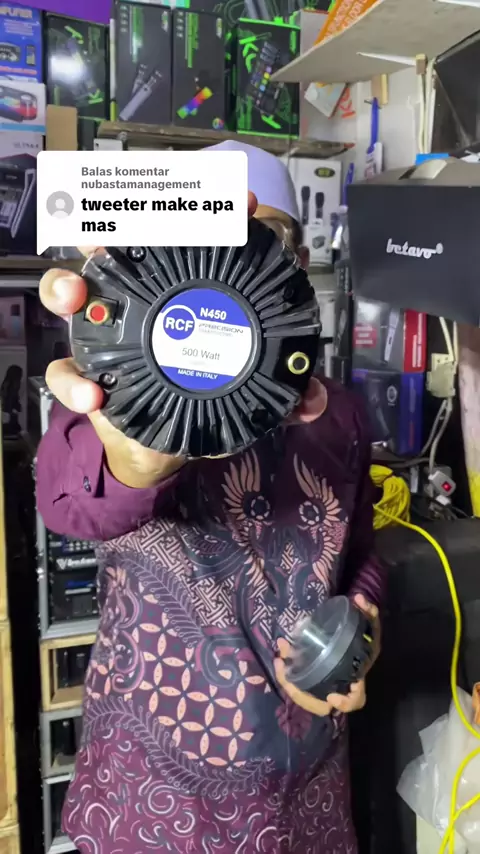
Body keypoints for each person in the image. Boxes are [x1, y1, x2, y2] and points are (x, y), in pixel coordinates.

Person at [37, 141, 384, 854]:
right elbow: (70, 508)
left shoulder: (342, 415)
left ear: (297, 263)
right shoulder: (110, 405)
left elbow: (361, 553)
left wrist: (358, 633)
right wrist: (138, 457)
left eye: (265, 240)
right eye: (219, 241)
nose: (238, 263)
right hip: (152, 806)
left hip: (305, 794)